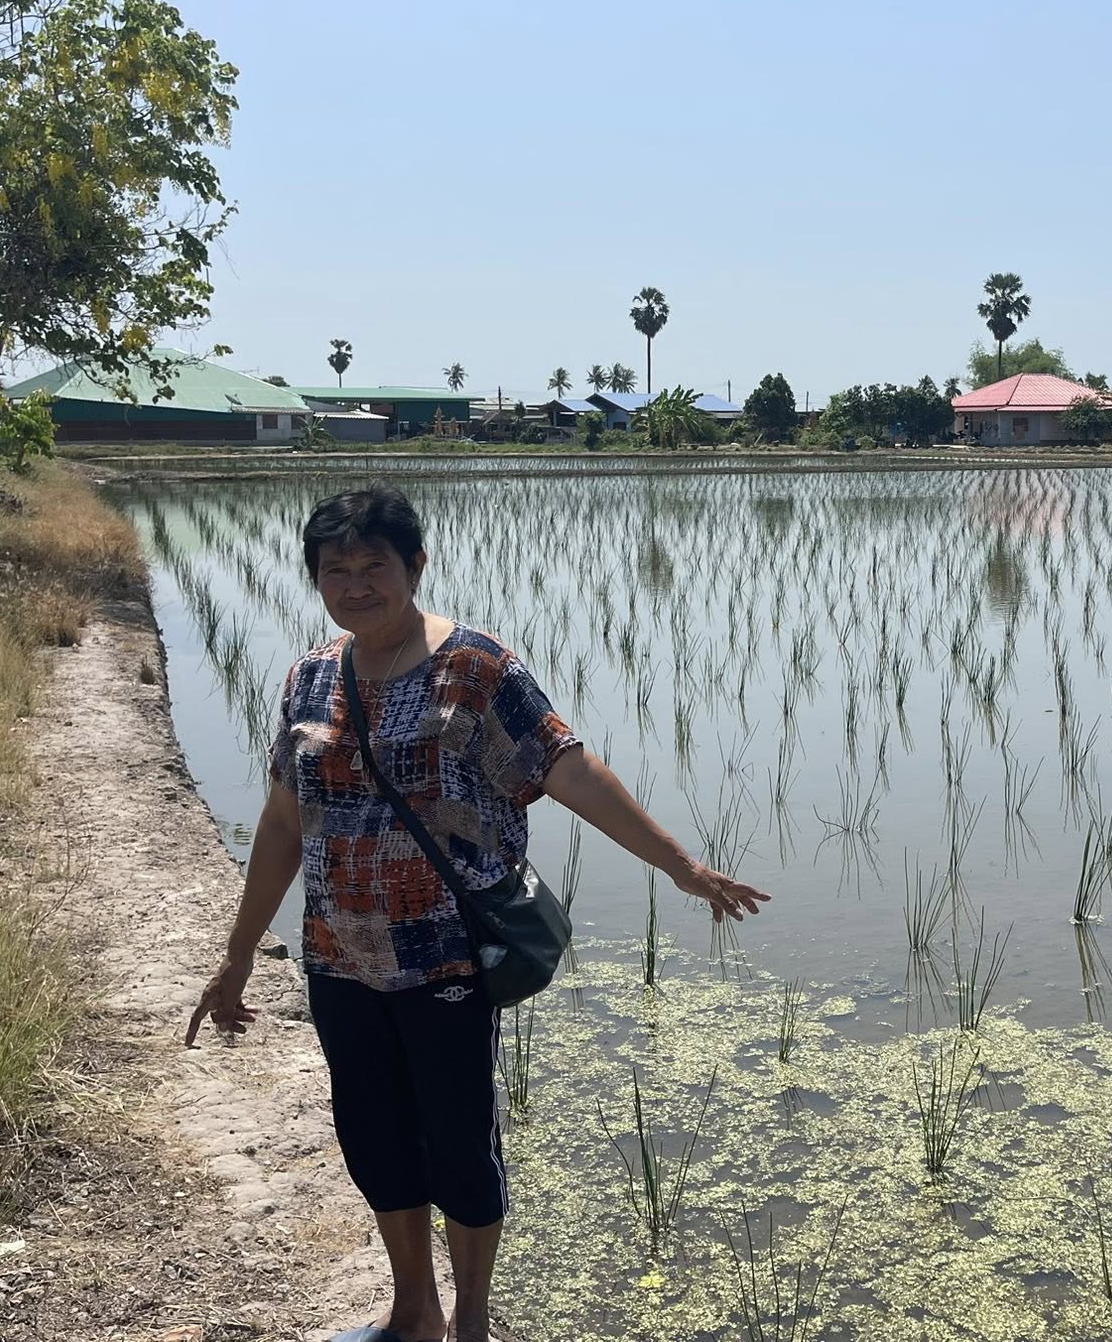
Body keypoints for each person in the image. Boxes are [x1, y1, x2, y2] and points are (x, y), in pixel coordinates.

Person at [188, 485, 769, 1342]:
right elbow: (282, 823)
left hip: (449, 959)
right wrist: (238, 953)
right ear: (315, 579)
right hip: (339, 958)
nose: (356, 585)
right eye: (336, 570)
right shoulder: (310, 677)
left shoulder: (476, 667)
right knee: (375, 1141)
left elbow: (568, 768)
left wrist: (681, 866)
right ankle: (413, 1312)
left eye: (374, 565)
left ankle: (471, 1322)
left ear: (415, 566)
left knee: (459, 1145)